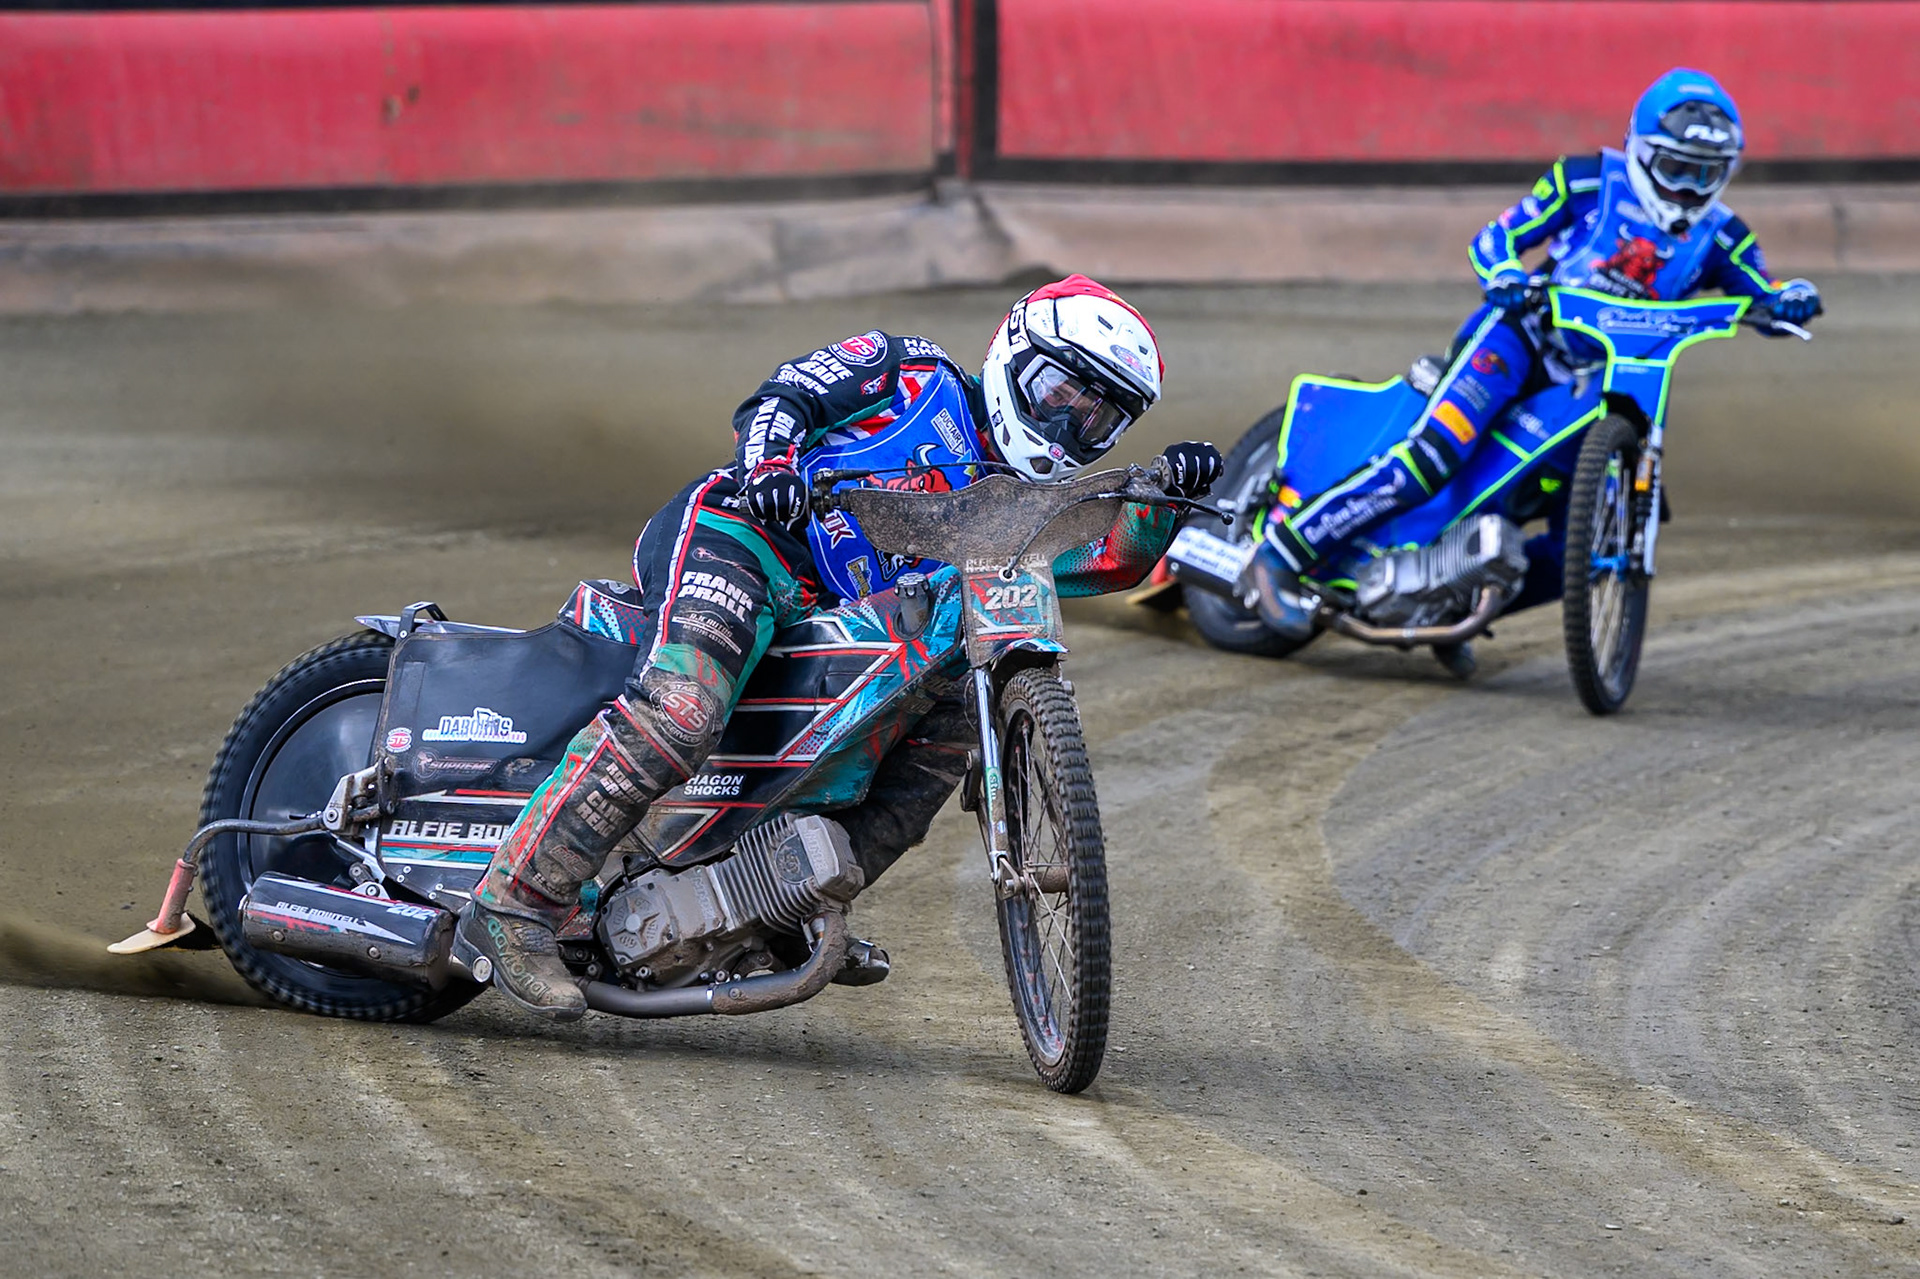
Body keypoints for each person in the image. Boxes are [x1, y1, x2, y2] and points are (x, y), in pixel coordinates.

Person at [457, 275, 1223, 1018]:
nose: (1069, 427)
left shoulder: (1027, 508)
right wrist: (772, 469)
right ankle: (515, 902)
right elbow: (782, 397)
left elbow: (1106, 560)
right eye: (1063, 394)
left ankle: (768, 910)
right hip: (747, 538)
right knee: (684, 709)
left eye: (1098, 419)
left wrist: (1161, 503)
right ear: (1013, 354)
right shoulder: (911, 371)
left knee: (940, 737)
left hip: (845, 614)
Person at [1250, 67, 1825, 639]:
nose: (1689, 190)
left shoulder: (1724, 236)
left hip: (1601, 382)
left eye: (1708, 174)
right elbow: (1496, 238)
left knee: (1584, 526)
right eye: (1677, 169)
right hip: (1518, 339)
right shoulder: (1585, 181)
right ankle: (1277, 556)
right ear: (1643, 151)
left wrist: (1789, 303)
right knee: (1430, 457)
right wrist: (1503, 274)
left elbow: (1765, 298)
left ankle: (1451, 607)